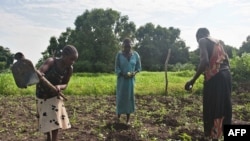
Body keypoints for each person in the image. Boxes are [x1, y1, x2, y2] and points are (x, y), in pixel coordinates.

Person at [185, 28, 232, 140]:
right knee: (224, 105)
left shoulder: (202, 40)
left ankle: (213, 135)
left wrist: (192, 80)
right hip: (226, 75)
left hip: (216, 79)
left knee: (212, 106)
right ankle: (223, 134)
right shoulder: (218, 41)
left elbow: (204, 61)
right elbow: (227, 58)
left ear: (199, 36)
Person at [36, 45, 78, 141]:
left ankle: (54, 139)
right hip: (42, 94)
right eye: (71, 59)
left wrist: (59, 86)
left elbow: (65, 84)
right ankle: (48, 136)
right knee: (45, 118)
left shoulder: (69, 69)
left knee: (55, 120)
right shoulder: (51, 61)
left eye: (74, 60)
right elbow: (41, 70)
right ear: (64, 55)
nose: (72, 62)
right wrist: (40, 73)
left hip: (55, 95)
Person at [115, 38, 141, 124]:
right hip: (122, 81)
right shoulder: (119, 55)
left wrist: (134, 73)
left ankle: (128, 120)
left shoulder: (136, 55)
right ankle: (118, 118)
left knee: (129, 98)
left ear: (131, 46)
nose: (127, 48)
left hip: (130, 81)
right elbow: (117, 68)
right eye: (125, 46)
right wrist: (122, 74)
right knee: (121, 97)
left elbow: (138, 68)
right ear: (123, 46)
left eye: (129, 46)